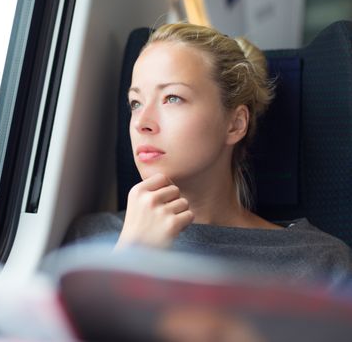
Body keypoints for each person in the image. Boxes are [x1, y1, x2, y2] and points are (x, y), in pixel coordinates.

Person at [64, 22, 352, 286]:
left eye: (172, 98)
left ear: (235, 124)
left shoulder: (319, 265)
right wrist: (128, 260)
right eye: (136, 102)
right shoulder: (90, 240)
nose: (141, 122)